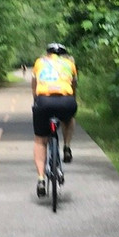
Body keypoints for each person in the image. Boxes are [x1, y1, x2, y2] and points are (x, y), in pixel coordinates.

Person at [31, 42, 77, 198]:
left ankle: (41, 179)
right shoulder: (70, 63)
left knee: (40, 140)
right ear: (64, 54)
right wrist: (72, 101)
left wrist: (36, 101)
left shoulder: (39, 62)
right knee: (69, 119)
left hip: (44, 101)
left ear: (48, 53)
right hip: (66, 101)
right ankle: (67, 147)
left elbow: (34, 85)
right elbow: (74, 86)